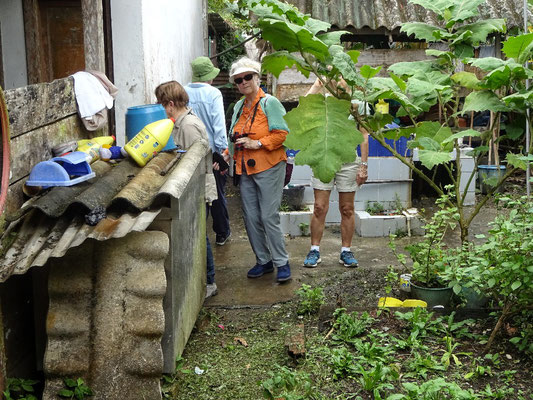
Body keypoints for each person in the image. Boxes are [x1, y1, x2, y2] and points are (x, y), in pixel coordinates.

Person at [225, 56, 291, 282]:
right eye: (238, 80)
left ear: (257, 78)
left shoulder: (269, 103)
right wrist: (227, 154)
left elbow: (282, 133)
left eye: (247, 77)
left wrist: (258, 143)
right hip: (244, 169)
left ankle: (282, 262)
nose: (243, 82)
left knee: (268, 215)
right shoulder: (238, 107)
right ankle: (263, 261)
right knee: (251, 217)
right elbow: (233, 135)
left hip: (269, 166)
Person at [155, 80, 219, 298]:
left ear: (171, 104)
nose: (162, 110)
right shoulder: (181, 123)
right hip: (195, 188)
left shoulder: (189, 126)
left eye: (162, 105)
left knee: (199, 234)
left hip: (197, 188)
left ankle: (209, 281)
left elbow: (194, 163)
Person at [303, 77, 369, 268]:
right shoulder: (320, 100)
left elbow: (364, 134)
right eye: (330, 75)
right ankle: (314, 250)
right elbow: (303, 108)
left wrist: (363, 165)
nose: (335, 79)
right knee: (319, 207)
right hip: (323, 158)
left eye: (339, 74)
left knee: (347, 209)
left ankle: (346, 251)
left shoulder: (357, 102)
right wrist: (317, 84)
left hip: (348, 161)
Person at [185, 57, 231, 246]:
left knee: (195, 194)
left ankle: (196, 234)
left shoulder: (183, 91)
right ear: (209, 77)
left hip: (188, 152)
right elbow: (218, 125)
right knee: (217, 193)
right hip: (211, 153)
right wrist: (223, 153)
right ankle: (222, 233)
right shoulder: (213, 93)